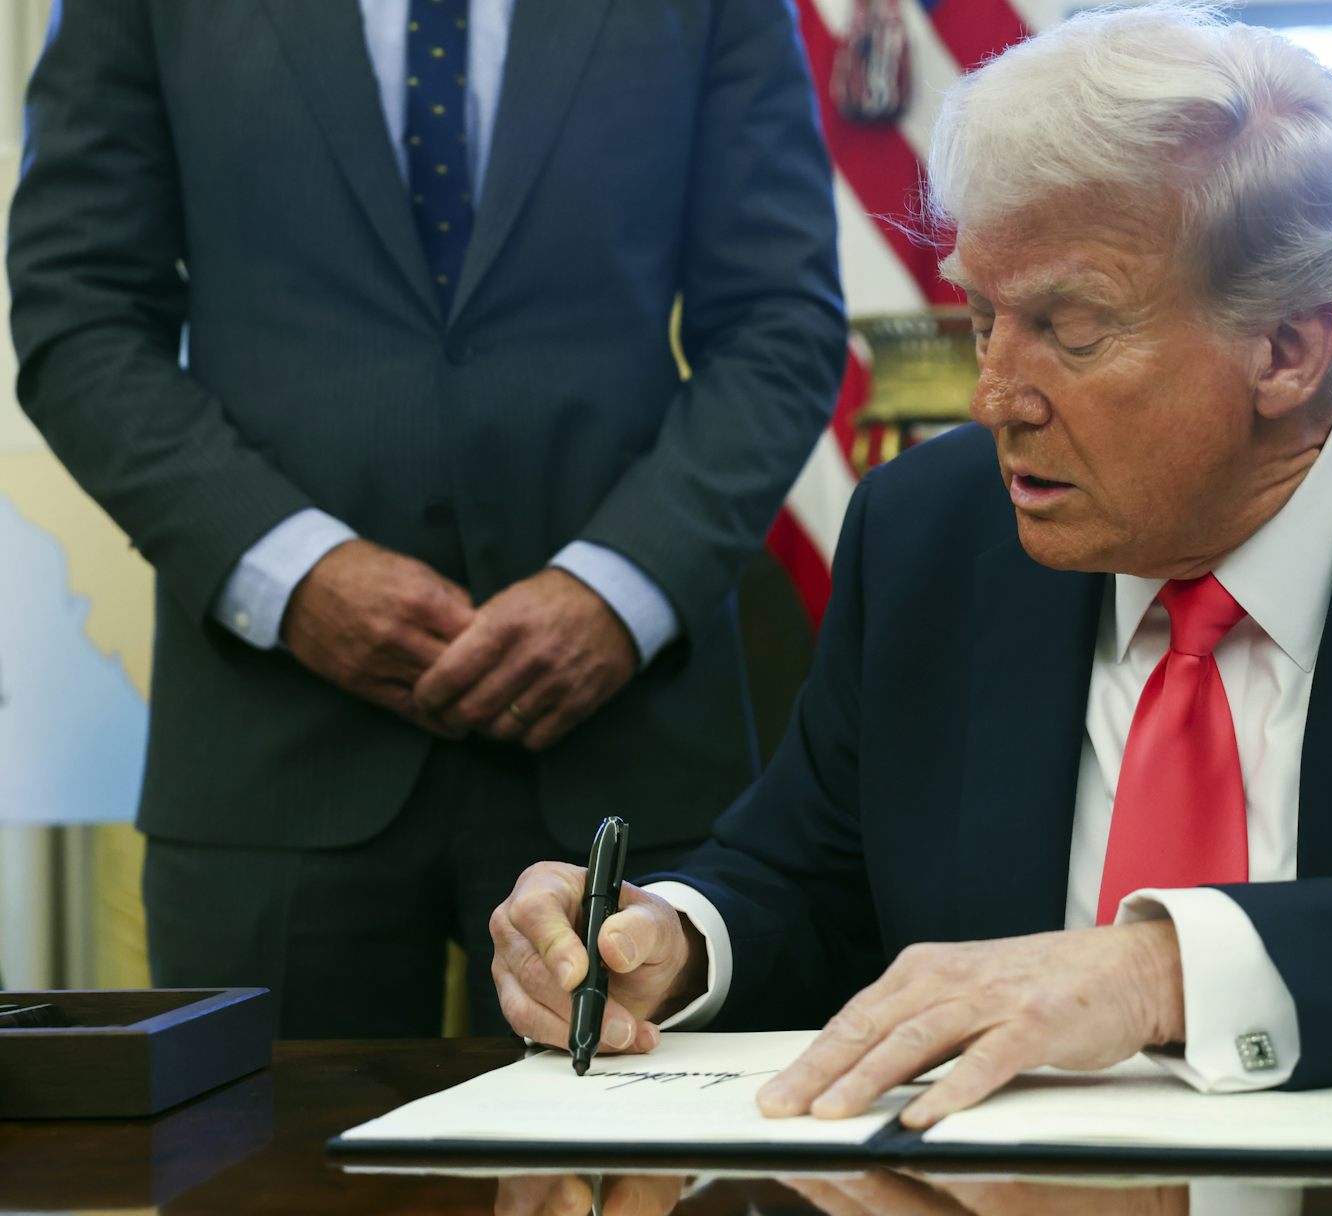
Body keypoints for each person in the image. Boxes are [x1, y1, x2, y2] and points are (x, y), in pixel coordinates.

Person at [490, 4, 1332, 1122]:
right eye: (984, 315)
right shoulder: (935, 530)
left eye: (1071, 329)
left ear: (1290, 349)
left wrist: (1163, 969)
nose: (994, 395)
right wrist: (668, 938)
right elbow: (808, 881)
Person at [6, 0, 844, 1036]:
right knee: (256, 1178)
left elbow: (781, 321)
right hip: (273, 748)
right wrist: (292, 573)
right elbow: (76, 312)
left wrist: (617, 587)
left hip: (625, 745)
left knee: (633, 1197)